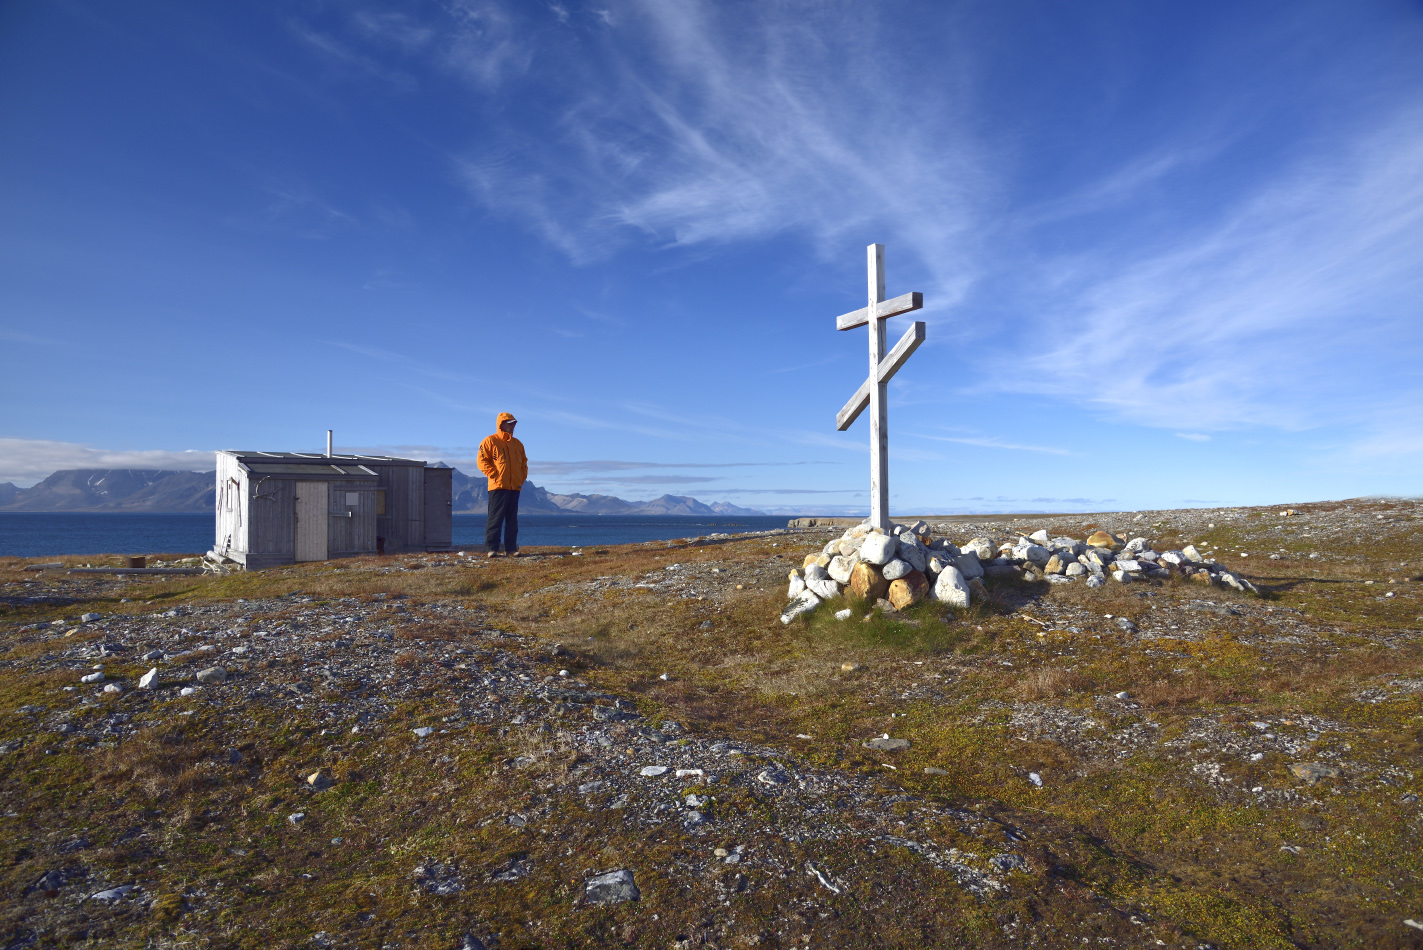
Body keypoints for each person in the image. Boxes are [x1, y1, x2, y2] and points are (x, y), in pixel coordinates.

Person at [477, 412, 527, 557]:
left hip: (514, 487)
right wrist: (494, 474)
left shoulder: (517, 444)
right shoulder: (490, 441)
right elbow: (481, 461)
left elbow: (524, 463)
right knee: (495, 518)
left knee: (512, 520)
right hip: (498, 486)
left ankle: (511, 549)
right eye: (509, 423)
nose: (512, 426)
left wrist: (522, 477)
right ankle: (492, 549)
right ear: (501, 424)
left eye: (513, 423)